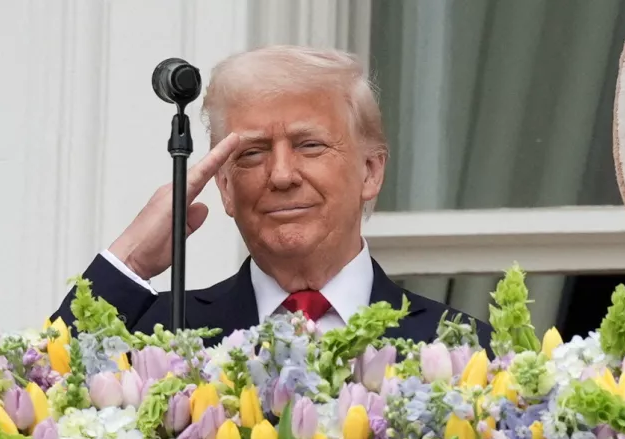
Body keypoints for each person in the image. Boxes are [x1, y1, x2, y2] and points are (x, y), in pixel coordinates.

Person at [50, 45, 491, 350]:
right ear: (224, 186)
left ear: (370, 171)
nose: (280, 175)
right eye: (252, 153)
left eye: (310, 145)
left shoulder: (463, 347)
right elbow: (28, 411)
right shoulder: (157, 334)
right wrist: (131, 259)